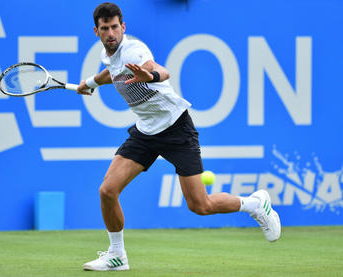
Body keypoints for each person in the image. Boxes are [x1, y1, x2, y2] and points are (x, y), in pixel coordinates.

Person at [77, 2, 281, 271]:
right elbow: (111, 72)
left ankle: (255, 204)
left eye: (115, 27)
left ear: (123, 27)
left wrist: (149, 75)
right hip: (146, 132)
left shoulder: (134, 50)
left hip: (176, 128)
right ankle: (117, 255)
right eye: (105, 29)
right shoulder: (111, 56)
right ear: (97, 32)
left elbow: (161, 71)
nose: (111, 33)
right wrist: (89, 83)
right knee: (107, 190)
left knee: (201, 205)